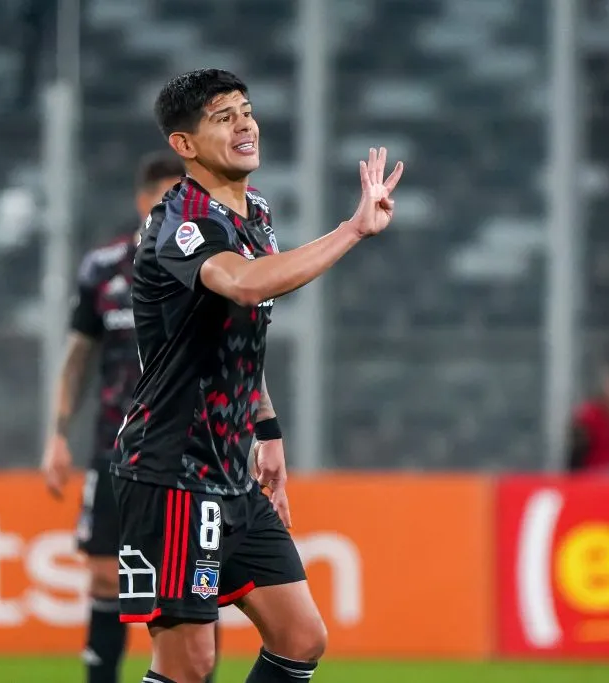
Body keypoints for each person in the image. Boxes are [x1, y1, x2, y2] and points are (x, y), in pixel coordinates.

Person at [112, 69, 404, 683]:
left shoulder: (257, 213)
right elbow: (244, 286)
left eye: (246, 110)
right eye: (223, 116)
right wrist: (352, 229)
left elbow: (240, 342)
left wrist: (266, 431)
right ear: (184, 146)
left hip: (231, 471)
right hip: (172, 472)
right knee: (190, 665)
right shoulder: (182, 222)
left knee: (301, 637)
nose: (245, 123)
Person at [41, 151, 186, 683]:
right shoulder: (103, 268)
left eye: (182, 199)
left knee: (187, 585)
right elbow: (77, 357)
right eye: (164, 198)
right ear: (141, 199)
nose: (173, 209)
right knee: (105, 576)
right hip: (114, 447)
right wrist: (58, 435)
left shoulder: (206, 267)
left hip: (185, 452)